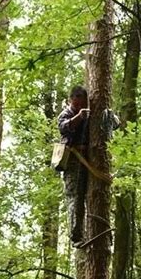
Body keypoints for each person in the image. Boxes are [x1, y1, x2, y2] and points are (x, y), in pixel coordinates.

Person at [58, 85, 90, 246]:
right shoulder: (67, 114)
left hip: (89, 163)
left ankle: (87, 232)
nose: (79, 107)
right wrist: (78, 117)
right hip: (72, 162)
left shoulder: (89, 114)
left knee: (89, 197)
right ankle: (76, 236)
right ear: (71, 101)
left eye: (82, 104)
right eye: (76, 104)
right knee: (74, 198)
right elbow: (63, 127)